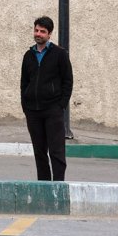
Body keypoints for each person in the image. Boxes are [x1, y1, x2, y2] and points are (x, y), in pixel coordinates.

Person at [20, 15, 73, 181]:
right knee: (39, 151)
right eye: (36, 30)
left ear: (49, 34)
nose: (38, 34)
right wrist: (25, 105)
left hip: (52, 111)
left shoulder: (59, 54)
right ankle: (43, 187)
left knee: (56, 151)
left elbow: (68, 81)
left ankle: (58, 186)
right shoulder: (28, 55)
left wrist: (61, 105)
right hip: (33, 112)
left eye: (42, 31)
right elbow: (24, 82)